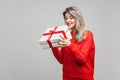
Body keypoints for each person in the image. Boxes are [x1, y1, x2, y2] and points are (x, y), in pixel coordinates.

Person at [51, 6, 95, 80]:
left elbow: (81, 60)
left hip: (83, 78)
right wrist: (53, 44)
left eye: (71, 18)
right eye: (66, 18)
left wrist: (69, 45)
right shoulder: (66, 35)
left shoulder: (87, 35)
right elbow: (61, 60)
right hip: (67, 77)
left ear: (78, 18)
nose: (68, 21)